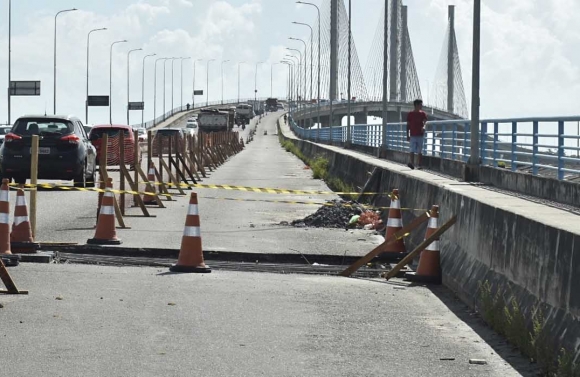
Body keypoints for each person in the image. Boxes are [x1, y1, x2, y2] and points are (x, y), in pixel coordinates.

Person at [406, 99, 427, 170]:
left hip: (420, 134)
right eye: (420, 104)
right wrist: (407, 135)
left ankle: (419, 165)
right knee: (412, 150)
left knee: (420, 151)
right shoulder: (410, 114)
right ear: (416, 105)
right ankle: (412, 164)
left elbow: (425, 122)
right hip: (413, 134)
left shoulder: (423, 114)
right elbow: (408, 125)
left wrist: (424, 127)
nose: (421, 106)